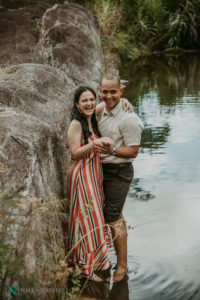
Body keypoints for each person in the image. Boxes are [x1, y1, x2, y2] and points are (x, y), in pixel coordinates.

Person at [95, 73, 144, 282]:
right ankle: (103, 258)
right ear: (100, 91)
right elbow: (86, 108)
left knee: (113, 215)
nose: (108, 96)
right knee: (108, 215)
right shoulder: (101, 111)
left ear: (120, 91)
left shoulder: (129, 119)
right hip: (100, 170)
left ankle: (122, 267)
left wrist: (112, 151)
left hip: (119, 171)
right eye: (104, 91)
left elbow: (133, 151)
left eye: (113, 92)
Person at [67, 86, 114, 282]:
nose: (89, 103)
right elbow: (74, 153)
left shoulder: (91, 119)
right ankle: (84, 268)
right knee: (84, 219)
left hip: (93, 176)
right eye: (84, 100)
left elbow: (104, 104)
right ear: (77, 105)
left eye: (91, 99)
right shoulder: (76, 124)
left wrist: (124, 102)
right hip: (81, 177)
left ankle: (96, 261)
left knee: (94, 218)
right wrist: (95, 144)